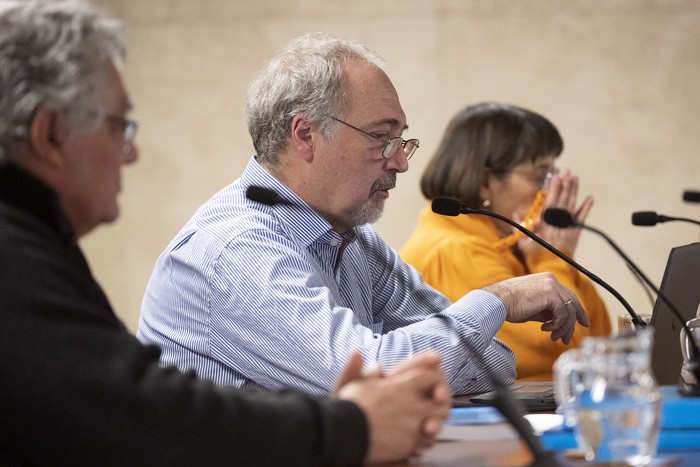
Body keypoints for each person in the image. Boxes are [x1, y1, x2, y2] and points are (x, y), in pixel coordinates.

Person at [0, 1, 452, 465]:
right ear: (50, 133)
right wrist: (349, 425)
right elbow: (146, 415)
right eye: (119, 125)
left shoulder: (36, 244)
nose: (130, 154)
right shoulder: (15, 263)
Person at [137, 33, 589, 397]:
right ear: (306, 135)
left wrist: (430, 353)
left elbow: (491, 361)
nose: (400, 162)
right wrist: (500, 300)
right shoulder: (237, 249)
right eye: (380, 138)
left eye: (401, 140)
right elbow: (371, 375)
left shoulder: (355, 242)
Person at [400, 102, 612, 381]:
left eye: (553, 175)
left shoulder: (510, 245)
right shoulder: (454, 249)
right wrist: (553, 256)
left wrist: (557, 256)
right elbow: (558, 355)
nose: (548, 192)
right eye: (539, 176)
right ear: (486, 182)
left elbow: (602, 345)